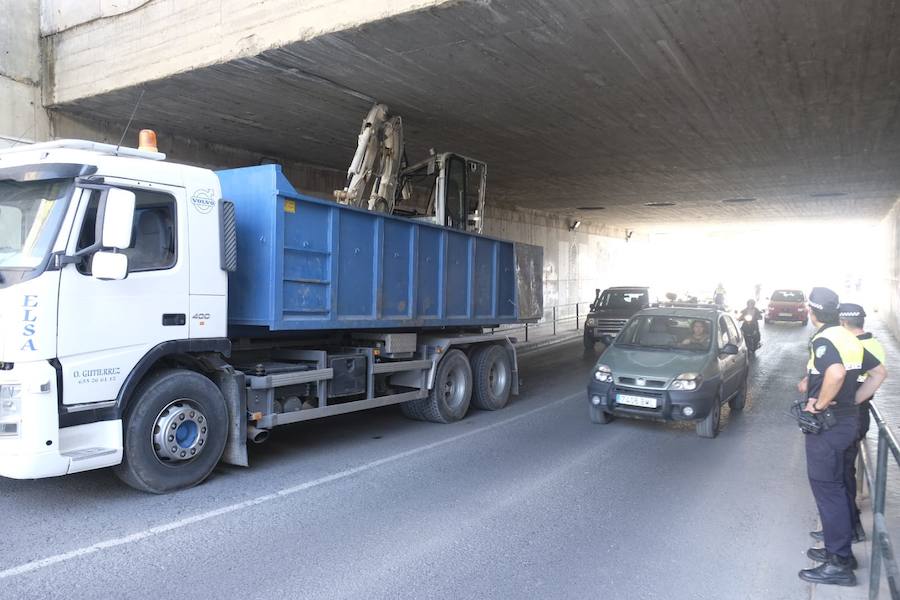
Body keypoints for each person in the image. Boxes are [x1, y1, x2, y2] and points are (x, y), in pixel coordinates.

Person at [796, 288, 886, 586]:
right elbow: (879, 373)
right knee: (836, 485)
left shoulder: (824, 339)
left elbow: (834, 374)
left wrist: (818, 406)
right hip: (846, 421)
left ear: (812, 312)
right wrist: (853, 402)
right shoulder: (849, 337)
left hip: (829, 426)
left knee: (828, 489)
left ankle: (839, 563)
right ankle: (841, 553)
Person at [829, 303, 885, 543]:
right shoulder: (874, 345)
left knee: (840, 475)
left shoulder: (849, 347)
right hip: (861, 414)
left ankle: (849, 527)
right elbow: (878, 375)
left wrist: (851, 401)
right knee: (845, 471)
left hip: (848, 413)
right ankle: (847, 524)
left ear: (842, 323)